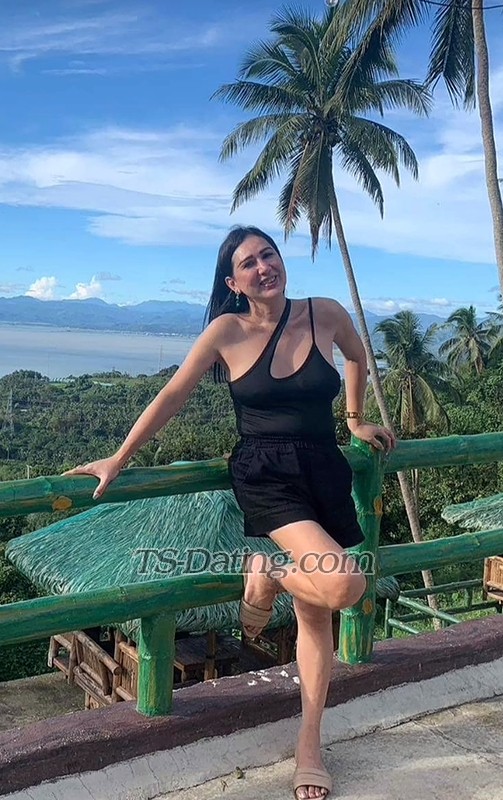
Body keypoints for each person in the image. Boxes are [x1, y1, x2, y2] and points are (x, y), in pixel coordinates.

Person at [65, 226, 395, 800]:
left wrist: (355, 419)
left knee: (317, 612)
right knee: (343, 583)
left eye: (269, 254)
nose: (264, 267)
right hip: (267, 475)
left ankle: (310, 743)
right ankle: (270, 571)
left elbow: (356, 356)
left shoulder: (324, 312)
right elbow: (173, 394)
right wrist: (119, 457)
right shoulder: (227, 331)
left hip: (324, 469)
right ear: (233, 282)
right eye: (249, 263)